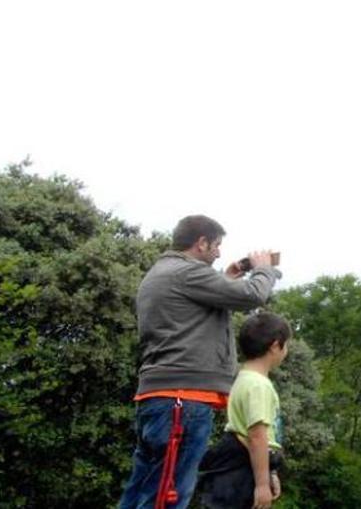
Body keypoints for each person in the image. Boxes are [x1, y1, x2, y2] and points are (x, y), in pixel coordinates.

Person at [119, 215, 281, 509]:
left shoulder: (163, 272)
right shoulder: (186, 272)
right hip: (182, 401)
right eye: (216, 246)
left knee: (142, 492)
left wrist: (226, 279)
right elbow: (253, 295)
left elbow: (189, 315)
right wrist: (264, 270)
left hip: (161, 398)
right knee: (168, 497)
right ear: (201, 243)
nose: (219, 253)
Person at [197, 312, 291, 509]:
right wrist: (262, 485)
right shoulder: (258, 386)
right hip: (242, 469)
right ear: (275, 346)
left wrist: (271, 472)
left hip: (244, 462)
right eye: (287, 344)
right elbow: (257, 436)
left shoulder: (244, 378)